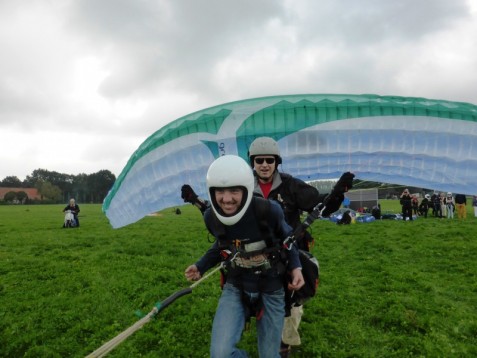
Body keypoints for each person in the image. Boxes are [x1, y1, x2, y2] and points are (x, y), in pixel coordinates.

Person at [182, 137, 354, 356]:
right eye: (259, 160)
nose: (264, 164)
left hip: (282, 257)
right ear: (252, 163)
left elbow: (319, 205)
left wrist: (337, 193)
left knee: (287, 317)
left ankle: (283, 343)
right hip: (243, 268)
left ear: (276, 162)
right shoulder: (239, 184)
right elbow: (224, 231)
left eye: (269, 160)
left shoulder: (290, 186)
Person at [184, 155, 305, 358]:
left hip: (271, 287)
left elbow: (288, 239)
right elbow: (222, 245)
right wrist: (201, 265)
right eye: (220, 191)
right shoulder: (211, 217)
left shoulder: (269, 211)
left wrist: (296, 267)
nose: (227, 199)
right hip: (237, 285)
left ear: (246, 189)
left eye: (234, 190)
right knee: (220, 355)